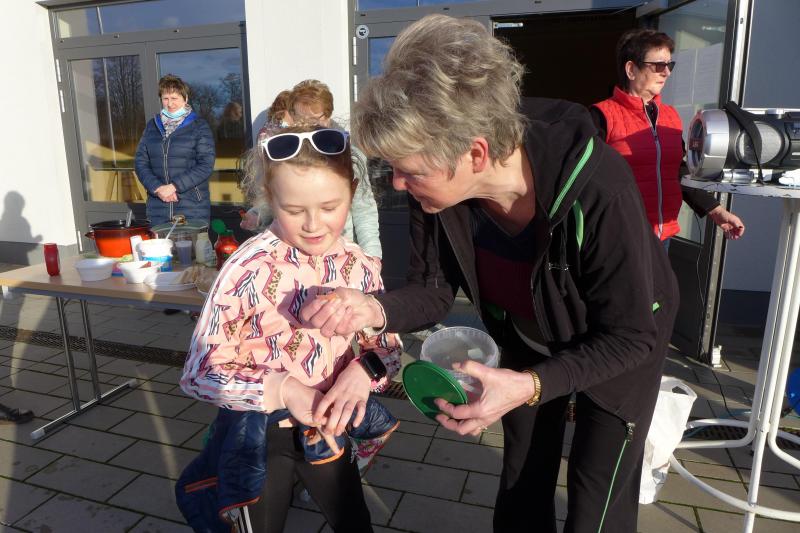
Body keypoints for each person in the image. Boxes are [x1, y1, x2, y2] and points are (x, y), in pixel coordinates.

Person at [301, 15, 679, 533]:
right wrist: (372, 308)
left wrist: (532, 384)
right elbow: (433, 292)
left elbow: (631, 335)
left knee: (598, 493)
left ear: (476, 153)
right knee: (522, 474)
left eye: (411, 170)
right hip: (527, 332)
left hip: (621, 342)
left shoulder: (598, 186)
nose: (400, 183)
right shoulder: (437, 193)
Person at [180, 124, 402, 533]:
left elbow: (386, 347)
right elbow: (198, 372)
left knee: (355, 522)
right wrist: (283, 389)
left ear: (353, 192)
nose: (314, 225)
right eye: (294, 210)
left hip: (328, 429)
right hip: (261, 435)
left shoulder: (360, 266)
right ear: (269, 197)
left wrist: (362, 372)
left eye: (330, 207)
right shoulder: (247, 267)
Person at [590, 29, 745, 246]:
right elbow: (585, 180)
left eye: (669, 65)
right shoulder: (601, 116)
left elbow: (677, 170)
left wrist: (716, 211)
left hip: (663, 235)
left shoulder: (670, 116)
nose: (666, 72)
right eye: (658, 65)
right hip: (619, 236)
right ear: (631, 69)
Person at [134, 74, 216, 226]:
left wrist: (174, 187)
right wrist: (157, 188)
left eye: (174, 98)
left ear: (185, 99)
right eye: (165, 98)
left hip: (191, 207)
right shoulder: (152, 126)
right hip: (158, 206)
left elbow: (206, 164)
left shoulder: (199, 126)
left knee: (190, 242)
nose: (170, 103)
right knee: (159, 242)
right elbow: (140, 162)